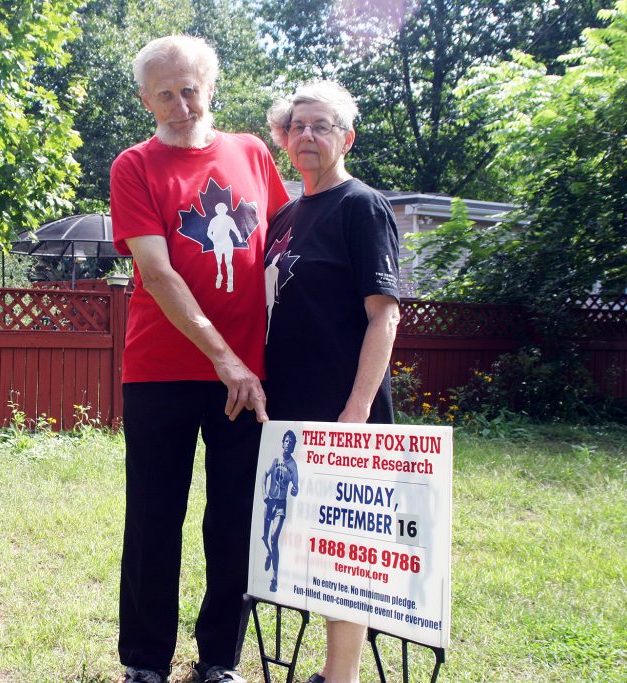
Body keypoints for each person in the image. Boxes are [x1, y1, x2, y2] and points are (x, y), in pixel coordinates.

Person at [110, 34, 289, 683]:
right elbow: (155, 272)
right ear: (145, 99)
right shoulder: (134, 165)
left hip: (247, 376)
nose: (182, 104)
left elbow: (285, 250)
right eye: (166, 93)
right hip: (161, 369)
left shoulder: (252, 154)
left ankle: (220, 657)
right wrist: (225, 355)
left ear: (211, 86)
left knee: (236, 515)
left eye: (191, 88)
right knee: (155, 514)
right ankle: (145, 661)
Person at [263, 80, 402, 683]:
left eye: (321, 126)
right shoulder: (287, 216)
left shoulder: (361, 205)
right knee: (306, 546)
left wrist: (357, 407)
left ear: (346, 137)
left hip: (343, 410)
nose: (307, 136)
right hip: (288, 409)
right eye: (297, 126)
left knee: (344, 550)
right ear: (284, 139)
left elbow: (385, 314)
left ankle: (338, 676)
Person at [261, 429, 299, 593]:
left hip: (281, 506)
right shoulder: (275, 459)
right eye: (286, 441)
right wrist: (264, 494)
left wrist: (294, 490)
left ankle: (274, 578)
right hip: (269, 503)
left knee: (273, 538)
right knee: (264, 537)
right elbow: (265, 474)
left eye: (291, 442)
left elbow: (296, 487)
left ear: (293, 447)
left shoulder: (293, 466)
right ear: (282, 443)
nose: (288, 444)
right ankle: (269, 553)